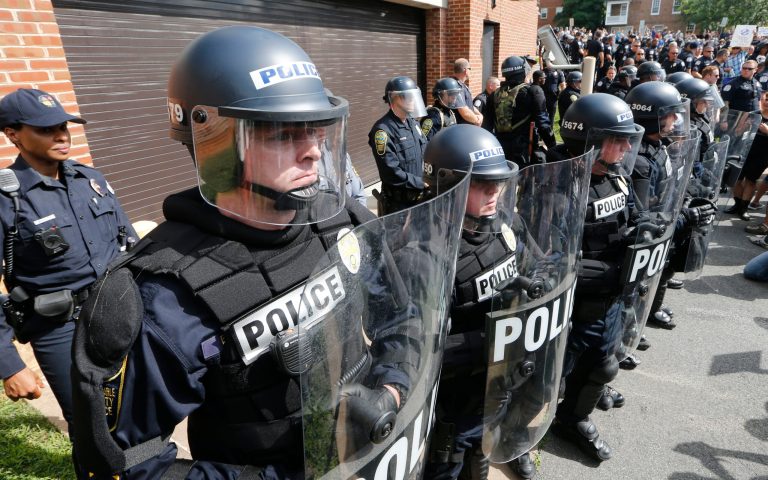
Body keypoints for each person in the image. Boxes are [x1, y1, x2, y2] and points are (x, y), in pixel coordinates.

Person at [70, 26, 436, 479]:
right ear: (216, 143)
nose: (314, 151)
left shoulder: (344, 220)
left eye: (318, 129)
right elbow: (121, 463)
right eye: (284, 134)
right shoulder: (161, 297)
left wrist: (392, 391)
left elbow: (402, 316)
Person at [0, 88, 136, 438]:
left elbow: (129, 244)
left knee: (141, 407)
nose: (61, 135)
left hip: (119, 309)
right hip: (61, 327)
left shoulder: (91, 179)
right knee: (91, 428)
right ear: (12, 134)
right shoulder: (7, 200)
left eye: (63, 125)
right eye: (45, 129)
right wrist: (9, 365)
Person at [548, 93, 645, 462]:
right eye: (616, 139)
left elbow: (630, 217)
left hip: (611, 294)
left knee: (604, 365)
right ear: (588, 141)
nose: (624, 147)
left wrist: (645, 231)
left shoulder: (615, 177)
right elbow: (553, 261)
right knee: (549, 374)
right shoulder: (558, 187)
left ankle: (573, 418)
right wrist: (609, 273)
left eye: (627, 140)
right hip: (573, 304)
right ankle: (533, 429)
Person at [625, 81, 694, 330]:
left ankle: (648, 314)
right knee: (640, 282)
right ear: (652, 117)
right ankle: (630, 331)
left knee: (662, 272)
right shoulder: (640, 158)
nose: (676, 119)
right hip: (649, 233)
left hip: (663, 225)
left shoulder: (658, 145)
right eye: (669, 114)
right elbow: (644, 208)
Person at [369, 75, 428, 215]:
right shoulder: (382, 131)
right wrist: (420, 183)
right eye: (409, 97)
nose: (413, 101)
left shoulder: (412, 123)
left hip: (421, 199)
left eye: (414, 96)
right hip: (399, 206)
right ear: (395, 98)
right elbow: (391, 172)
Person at [486, 56, 556, 168]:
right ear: (523, 70)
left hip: (500, 150)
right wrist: (553, 147)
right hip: (524, 152)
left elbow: (487, 126)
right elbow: (543, 123)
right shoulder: (533, 91)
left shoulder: (493, 95)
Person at [727, 91, 768, 222]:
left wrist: (767, 131)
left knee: (751, 180)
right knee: (737, 179)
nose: (767, 102)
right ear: (761, 100)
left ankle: (743, 209)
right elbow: (737, 132)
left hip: (763, 155)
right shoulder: (752, 114)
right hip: (745, 151)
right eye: (765, 99)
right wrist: (745, 127)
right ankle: (737, 204)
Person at [452, 58, 483, 126]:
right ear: (466, 70)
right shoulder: (456, 87)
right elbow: (464, 112)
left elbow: (468, 105)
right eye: (470, 69)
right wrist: (477, 120)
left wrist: (479, 115)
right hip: (461, 129)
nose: (470, 71)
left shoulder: (461, 85)